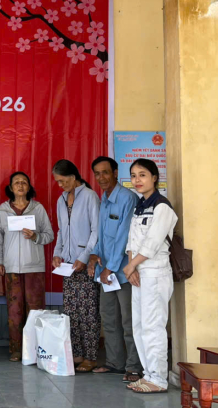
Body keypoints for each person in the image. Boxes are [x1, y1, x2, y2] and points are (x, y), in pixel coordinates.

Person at [123, 159, 177, 394]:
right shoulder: (140, 206)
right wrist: (132, 267)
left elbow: (152, 243)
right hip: (138, 274)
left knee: (153, 327)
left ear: (154, 177)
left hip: (155, 274)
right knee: (139, 326)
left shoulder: (162, 206)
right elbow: (132, 242)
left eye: (142, 175)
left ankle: (158, 379)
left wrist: (131, 266)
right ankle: (148, 374)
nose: (137, 180)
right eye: (134, 175)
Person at [87, 157, 141, 383]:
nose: (101, 178)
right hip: (106, 273)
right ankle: (115, 363)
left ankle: (134, 367)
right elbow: (101, 234)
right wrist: (94, 255)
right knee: (109, 319)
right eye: (97, 174)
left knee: (129, 322)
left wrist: (109, 267)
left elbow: (124, 237)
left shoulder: (127, 198)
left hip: (123, 273)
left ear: (116, 172)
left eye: (105, 172)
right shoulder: (104, 199)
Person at [0, 171, 54, 362]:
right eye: (16, 183)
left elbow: (49, 235)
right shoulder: (3, 211)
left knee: (35, 309)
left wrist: (35, 236)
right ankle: (16, 349)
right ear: (10, 188)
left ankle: (35, 348)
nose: (20, 185)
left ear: (29, 187)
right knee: (14, 310)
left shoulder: (38, 208)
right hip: (11, 268)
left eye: (24, 182)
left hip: (34, 267)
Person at [51, 159, 101, 373]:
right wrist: (57, 253)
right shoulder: (61, 199)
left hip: (86, 264)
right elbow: (62, 231)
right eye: (57, 182)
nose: (60, 185)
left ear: (73, 177)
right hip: (68, 266)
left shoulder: (90, 196)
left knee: (88, 311)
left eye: (63, 180)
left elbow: (96, 231)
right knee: (72, 312)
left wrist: (84, 256)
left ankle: (91, 356)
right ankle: (77, 353)